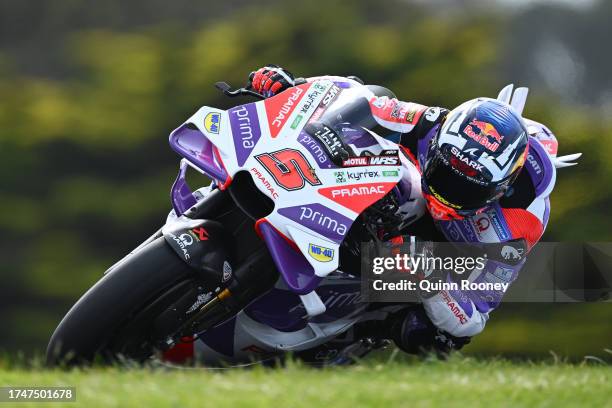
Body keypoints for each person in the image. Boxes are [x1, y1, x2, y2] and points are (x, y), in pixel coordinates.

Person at [246, 65, 559, 356]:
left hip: (446, 253)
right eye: (444, 173)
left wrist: (428, 275)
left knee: (428, 332)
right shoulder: (431, 124)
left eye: (465, 189)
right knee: (378, 93)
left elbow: (475, 316)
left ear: (500, 189)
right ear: (438, 143)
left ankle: (338, 337)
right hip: (402, 191)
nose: (446, 195)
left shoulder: (520, 223)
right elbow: (359, 98)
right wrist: (293, 89)